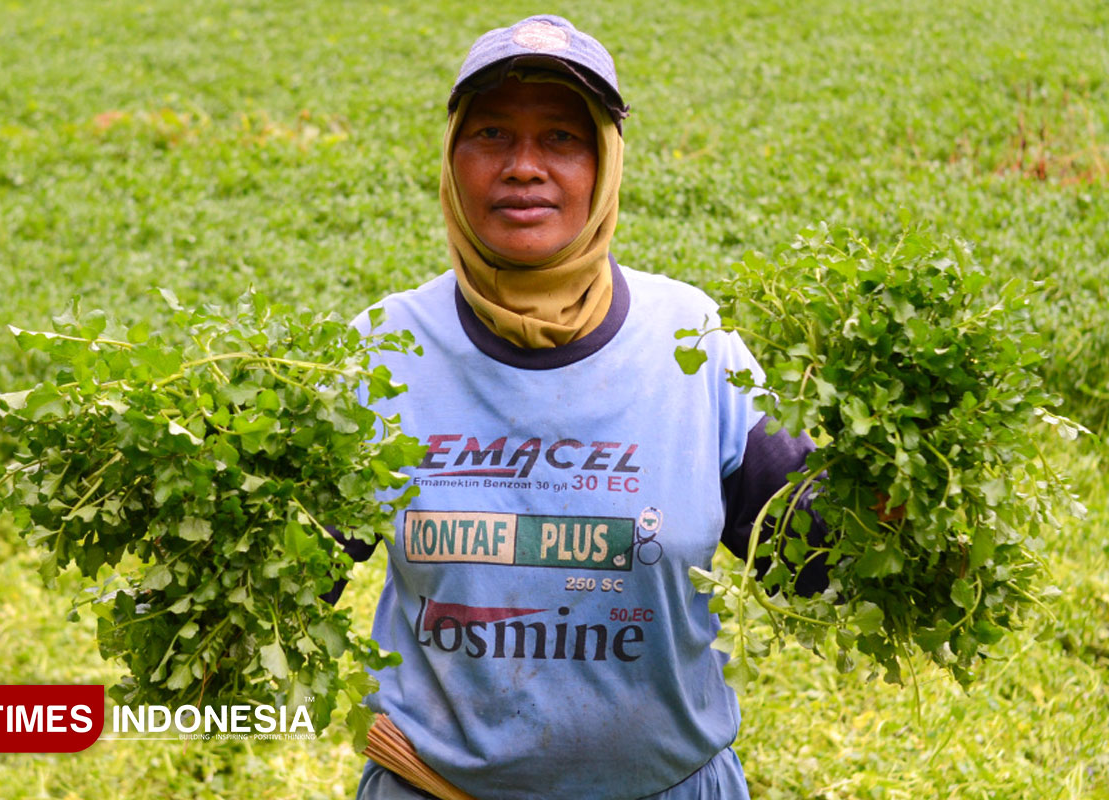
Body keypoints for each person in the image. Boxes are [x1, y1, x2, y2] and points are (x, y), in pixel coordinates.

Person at [343, 15, 824, 800]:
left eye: (562, 139)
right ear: (453, 159)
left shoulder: (690, 341)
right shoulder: (386, 347)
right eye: (492, 132)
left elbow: (811, 555)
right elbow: (288, 569)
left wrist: (901, 489)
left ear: (605, 164)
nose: (523, 167)